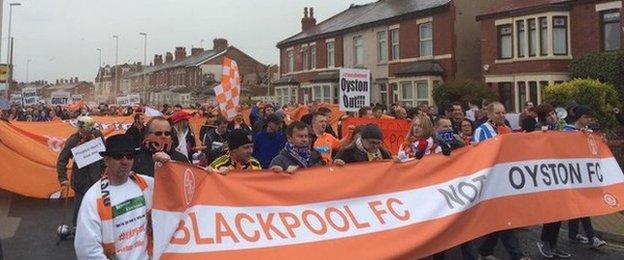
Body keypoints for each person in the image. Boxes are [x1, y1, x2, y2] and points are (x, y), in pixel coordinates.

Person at [74, 134, 154, 260]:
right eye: (118, 156)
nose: (125, 161)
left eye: (129, 156)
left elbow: (176, 191)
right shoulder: (93, 198)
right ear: (106, 160)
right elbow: (87, 250)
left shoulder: (146, 184)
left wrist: (167, 164)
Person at [475, 102, 529, 260]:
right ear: (489, 114)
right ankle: (517, 255)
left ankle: (485, 250)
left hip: (504, 180)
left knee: (499, 218)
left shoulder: (506, 129)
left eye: (503, 112)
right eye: (497, 113)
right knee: (503, 218)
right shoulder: (481, 130)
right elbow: (479, 154)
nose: (501, 115)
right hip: (490, 182)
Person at [561, 105, 607, 249]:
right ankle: (592, 237)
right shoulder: (568, 131)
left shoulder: (589, 132)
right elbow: (561, 148)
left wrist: (601, 141)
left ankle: (573, 234)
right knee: (582, 205)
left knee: (578, 204)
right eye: (586, 117)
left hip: (584, 173)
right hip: (572, 173)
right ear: (579, 117)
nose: (588, 120)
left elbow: (593, 150)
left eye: (590, 117)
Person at [57, 116, 105, 228]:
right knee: (80, 207)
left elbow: (104, 153)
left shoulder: (98, 135)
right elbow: (61, 161)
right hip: (81, 181)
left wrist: (105, 168)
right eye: (87, 129)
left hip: (96, 178)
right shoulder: (73, 140)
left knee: (97, 207)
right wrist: (63, 178)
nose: (90, 132)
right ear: (81, 128)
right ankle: (77, 228)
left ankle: (97, 228)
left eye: (91, 129)